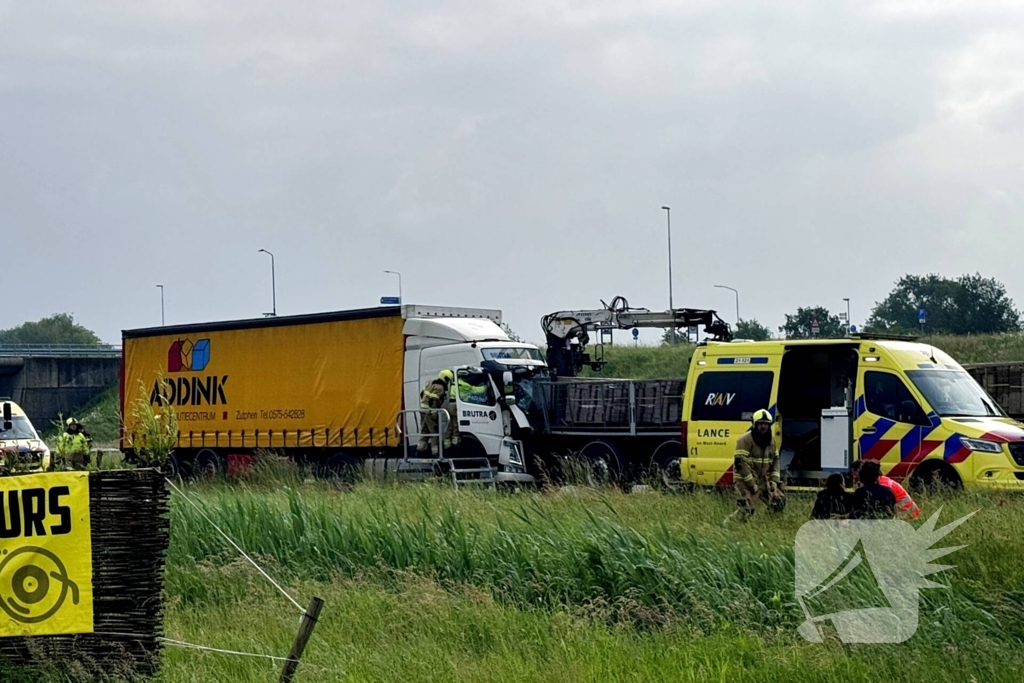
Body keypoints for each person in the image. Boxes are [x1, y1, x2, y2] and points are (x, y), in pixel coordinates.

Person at [728, 409, 785, 522]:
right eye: (760, 424)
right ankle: (729, 525)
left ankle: (766, 525)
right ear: (754, 424)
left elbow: (775, 460)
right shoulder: (744, 440)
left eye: (766, 424)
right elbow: (740, 464)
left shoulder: (771, 441)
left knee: (779, 502)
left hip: (762, 479)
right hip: (744, 480)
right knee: (746, 509)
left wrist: (774, 480)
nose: (763, 426)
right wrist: (752, 485)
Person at [850, 459, 921, 519]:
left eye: (855, 473)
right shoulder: (880, 482)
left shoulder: (882, 485)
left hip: (907, 516)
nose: (854, 477)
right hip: (905, 513)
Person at [417, 370, 453, 457]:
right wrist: (434, 411)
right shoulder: (440, 387)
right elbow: (434, 400)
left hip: (422, 410)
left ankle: (419, 451)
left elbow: (422, 394)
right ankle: (435, 453)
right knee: (434, 432)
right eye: (448, 380)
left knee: (425, 432)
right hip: (430, 412)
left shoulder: (430, 383)